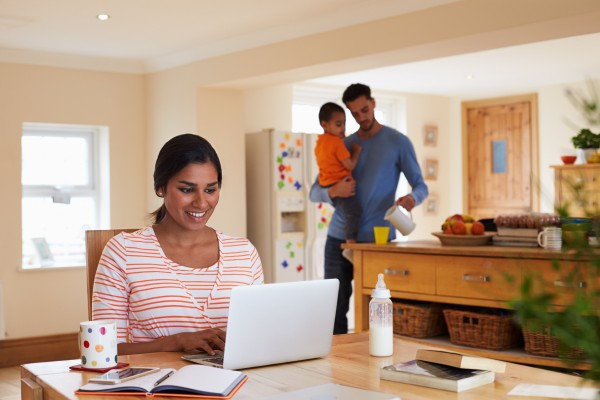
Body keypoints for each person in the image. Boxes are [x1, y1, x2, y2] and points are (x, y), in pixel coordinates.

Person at [92, 133, 264, 355]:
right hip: (158, 385)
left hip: (237, 384)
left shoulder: (244, 253)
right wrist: (176, 342)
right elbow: (100, 350)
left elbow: (259, 336)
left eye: (210, 190)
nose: (201, 202)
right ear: (160, 188)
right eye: (187, 189)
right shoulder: (123, 251)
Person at [309, 83, 428, 334]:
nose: (361, 117)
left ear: (373, 103)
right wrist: (333, 191)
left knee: (379, 309)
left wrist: (412, 199)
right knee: (334, 308)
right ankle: (335, 366)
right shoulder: (343, 144)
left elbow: (421, 186)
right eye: (354, 114)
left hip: (378, 240)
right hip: (338, 239)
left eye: (364, 110)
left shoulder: (397, 142)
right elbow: (313, 193)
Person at [314, 102, 362, 262]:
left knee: (347, 211)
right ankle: (350, 246)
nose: (342, 128)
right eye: (338, 124)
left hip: (326, 183)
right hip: (341, 183)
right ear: (325, 125)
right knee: (353, 212)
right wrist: (355, 151)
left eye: (344, 123)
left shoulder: (319, 142)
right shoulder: (336, 142)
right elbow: (350, 164)